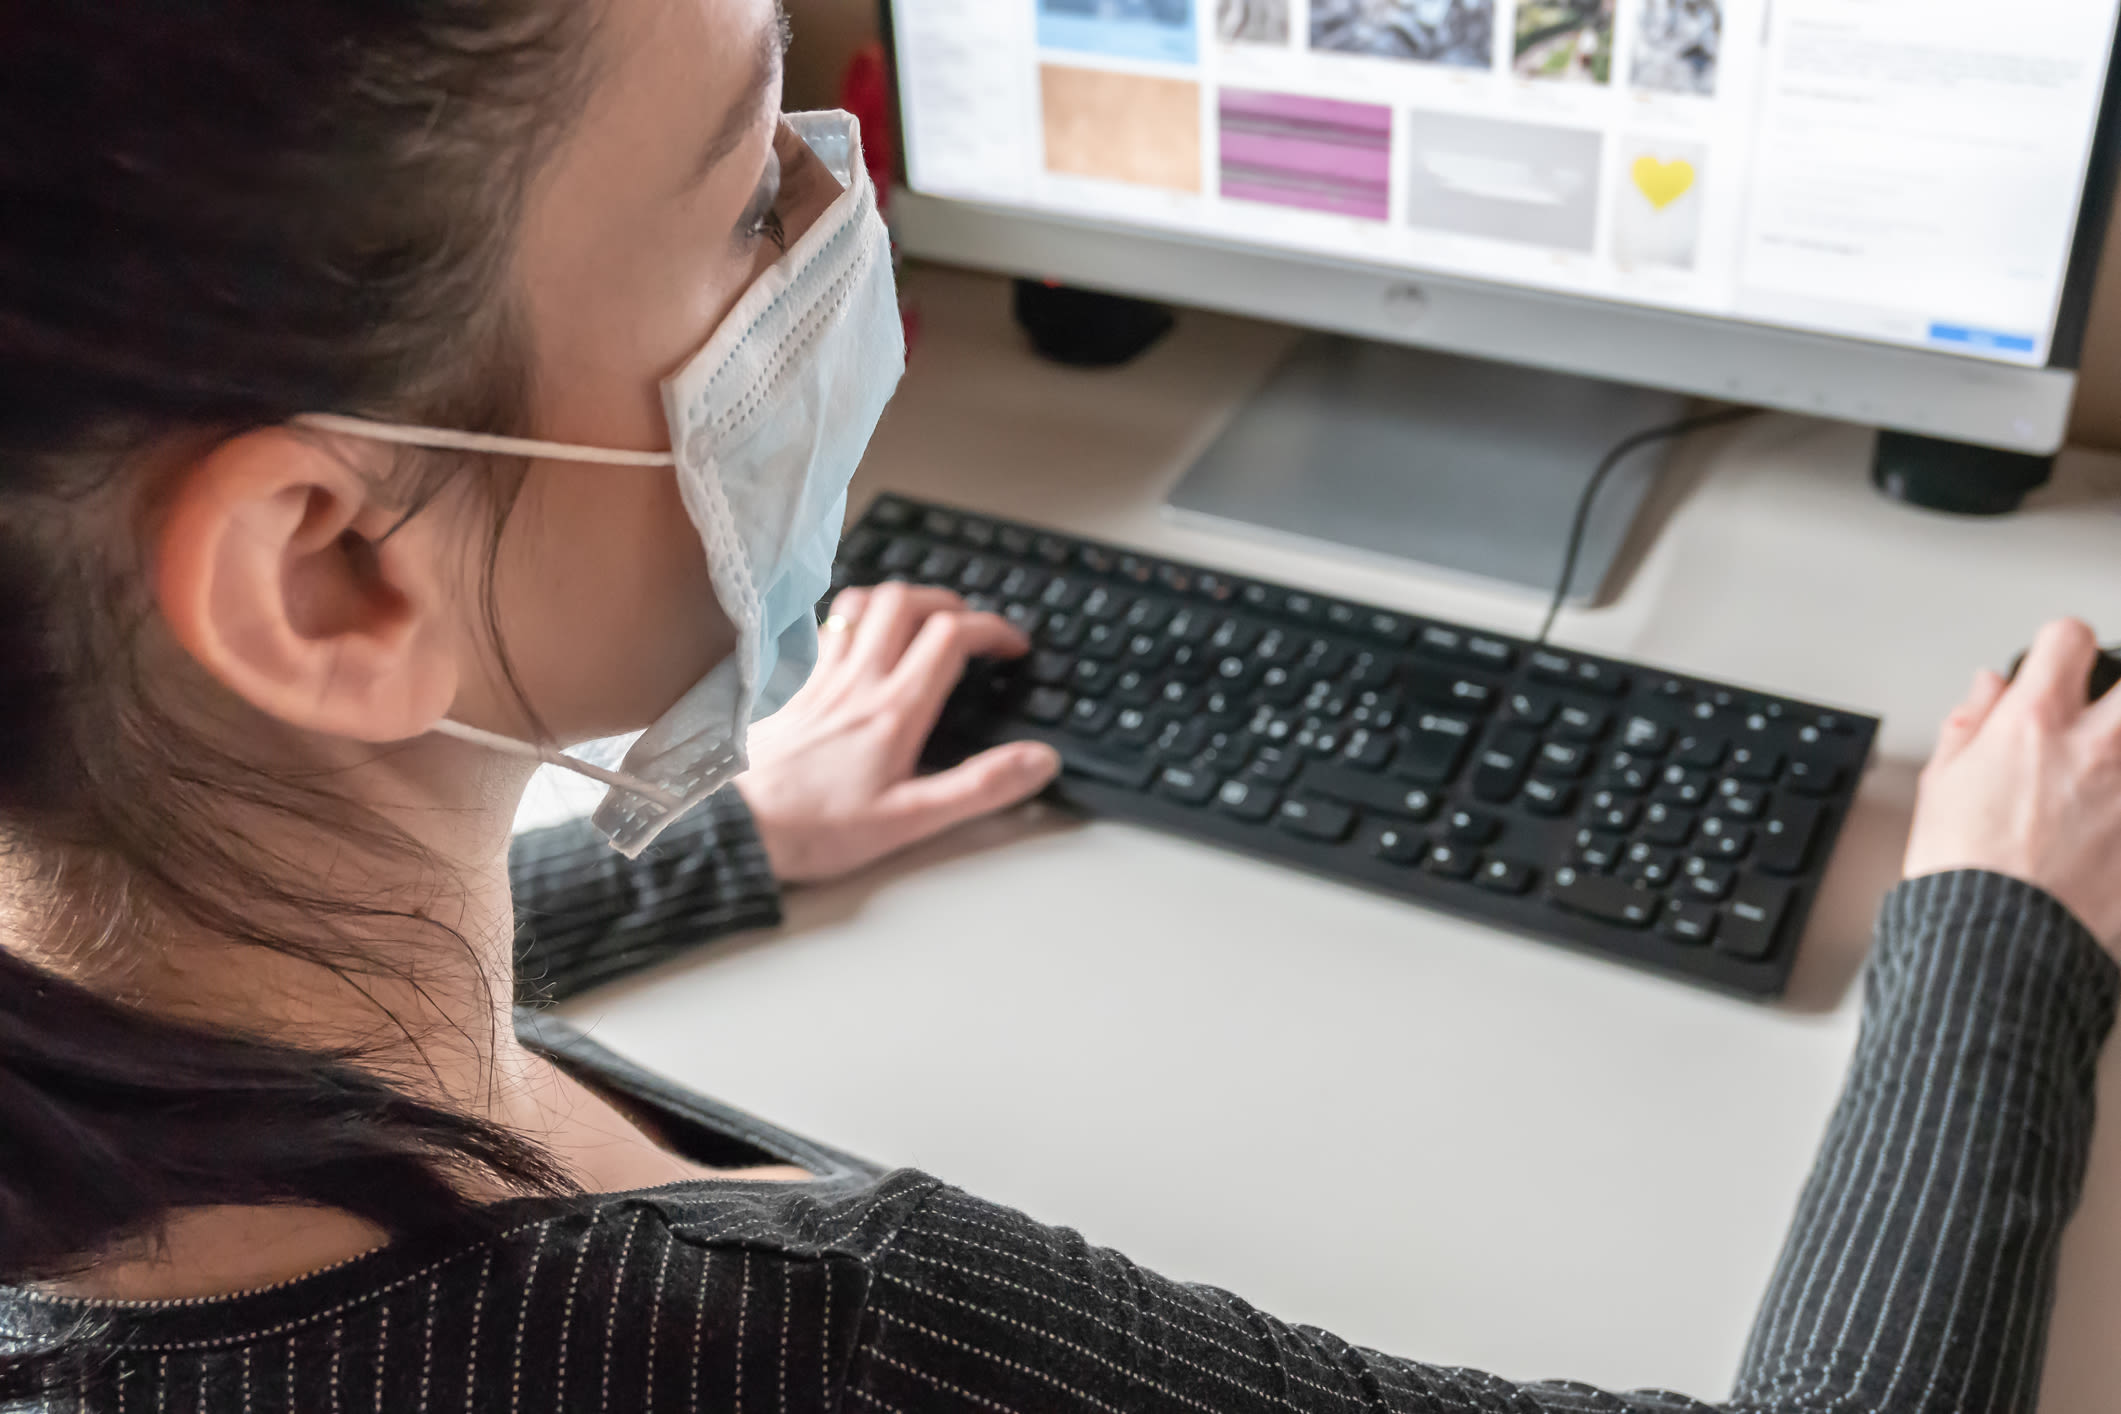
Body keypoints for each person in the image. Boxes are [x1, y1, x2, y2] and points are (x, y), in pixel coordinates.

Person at [1, 1, 2117, 1410]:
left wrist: (735, 837)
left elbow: (185, 1003)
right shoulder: (842, 1341)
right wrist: (1993, 939)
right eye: (749, 197)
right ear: (330, 571)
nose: (839, 235)